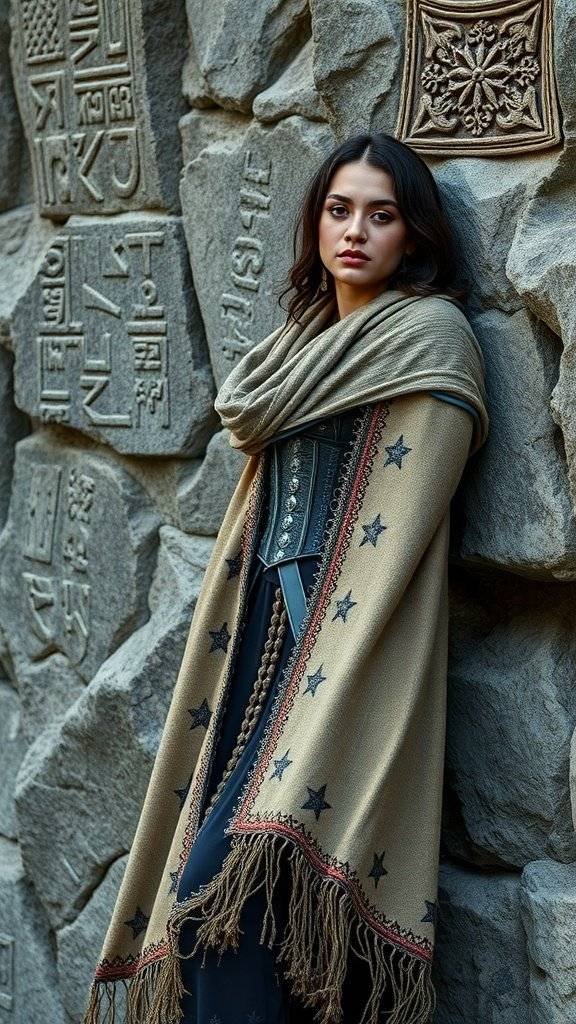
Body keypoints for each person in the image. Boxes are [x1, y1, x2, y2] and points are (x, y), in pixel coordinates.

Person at [82, 133, 489, 1024]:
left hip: (345, 655)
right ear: (314, 224)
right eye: (339, 211)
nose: (356, 232)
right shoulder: (294, 350)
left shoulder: (431, 341)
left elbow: (402, 526)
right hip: (255, 650)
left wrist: (329, 651)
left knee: (224, 896)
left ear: (415, 235)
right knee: (236, 912)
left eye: (381, 215)